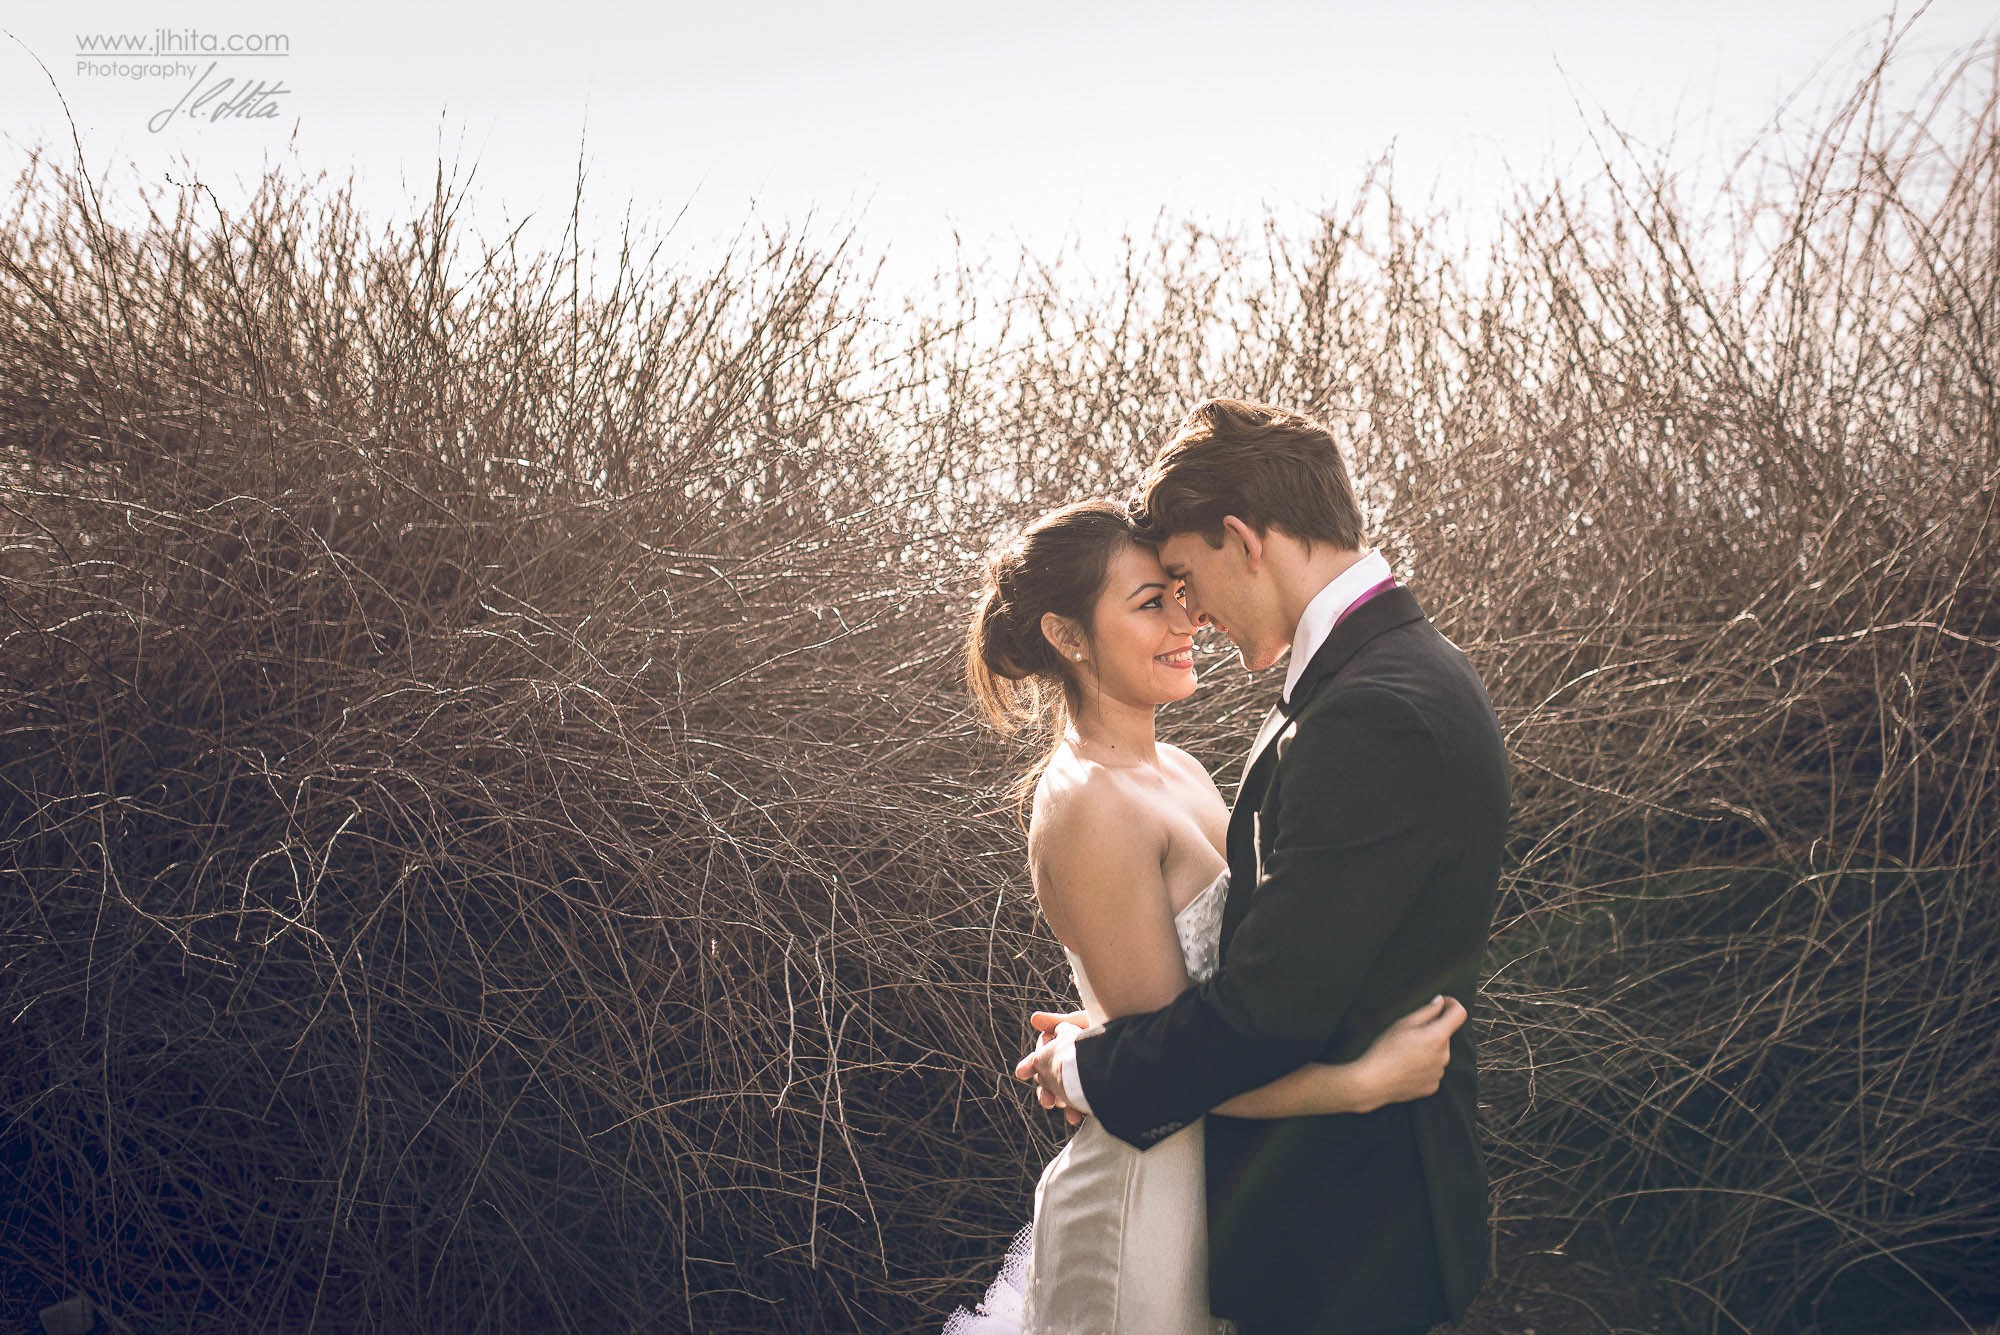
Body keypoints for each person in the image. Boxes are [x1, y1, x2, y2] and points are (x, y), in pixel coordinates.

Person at [1016, 400, 1511, 1335]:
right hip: (1301, 1219)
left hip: (1350, 1227)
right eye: (1157, 594)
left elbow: (1267, 1010)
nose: (1189, 612)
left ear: (1243, 538)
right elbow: (1276, 963)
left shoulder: (1372, 710)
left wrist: (1092, 1066)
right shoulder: (1379, 678)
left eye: (1187, 579)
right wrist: (1126, 1022)